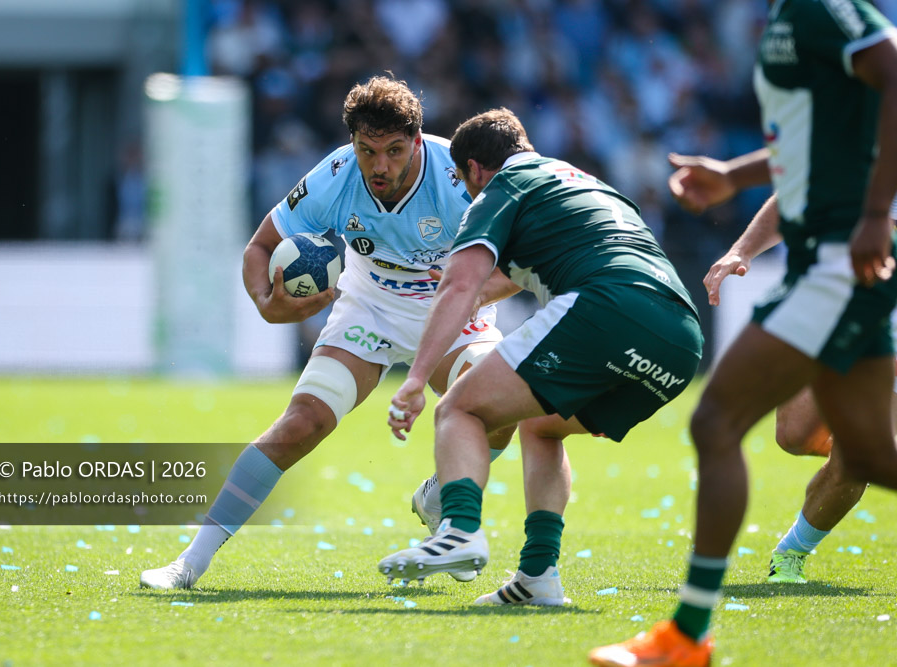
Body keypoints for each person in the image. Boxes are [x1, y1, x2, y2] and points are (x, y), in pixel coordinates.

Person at [591, 2, 897, 665]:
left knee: (716, 421)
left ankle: (686, 635)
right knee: (866, 456)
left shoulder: (825, 8)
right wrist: (733, 177)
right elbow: (811, 148)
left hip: (840, 263)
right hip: (831, 261)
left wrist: (876, 212)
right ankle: (687, 635)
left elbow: (894, 76)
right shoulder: (787, 17)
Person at [140, 75, 513, 590]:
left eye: (394, 150)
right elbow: (259, 247)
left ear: (418, 141)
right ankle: (190, 562)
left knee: (500, 407)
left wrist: (471, 293)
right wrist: (267, 305)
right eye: (367, 149)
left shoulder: (458, 177)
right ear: (352, 143)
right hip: (371, 307)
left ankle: (439, 498)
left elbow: (519, 263)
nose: (379, 165)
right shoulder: (336, 175)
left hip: (454, 307)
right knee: (302, 422)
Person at [376, 108, 704, 611]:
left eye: (466, 186)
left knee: (459, 409)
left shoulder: (502, 186)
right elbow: (513, 277)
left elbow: (462, 283)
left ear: (474, 170)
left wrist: (416, 377)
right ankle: (538, 576)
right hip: (679, 338)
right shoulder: (578, 181)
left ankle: (459, 530)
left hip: (608, 309)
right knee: (542, 426)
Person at [671, 169, 897, 584]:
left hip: (885, 296)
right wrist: (742, 247)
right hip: (830, 283)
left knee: (853, 457)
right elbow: (805, 180)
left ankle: (790, 553)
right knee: (794, 436)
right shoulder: (855, 120)